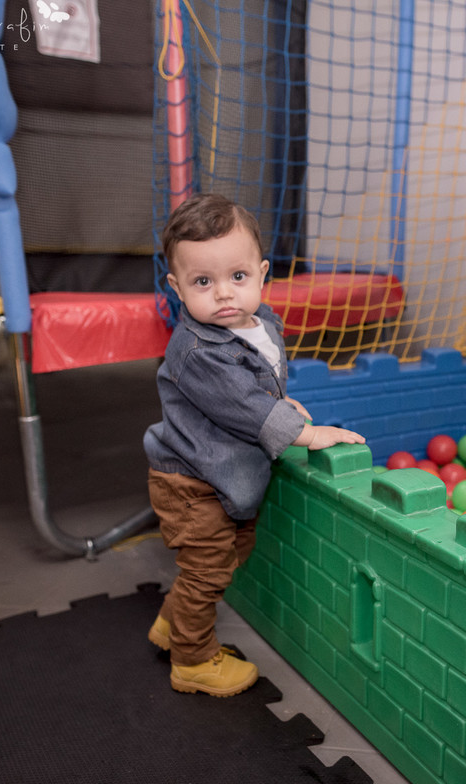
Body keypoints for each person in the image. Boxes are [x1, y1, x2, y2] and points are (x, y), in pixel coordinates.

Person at [143, 193, 365, 697]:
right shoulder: (199, 350)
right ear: (176, 287)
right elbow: (244, 404)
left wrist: (282, 405)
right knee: (207, 570)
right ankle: (193, 662)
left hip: (222, 476)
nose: (224, 295)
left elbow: (258, 387)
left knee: (229, 554)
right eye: (203, 282)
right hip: (191, 482)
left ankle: (172, 626)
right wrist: (305, 433)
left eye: (237, 278)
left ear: (262, 274)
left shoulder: (259, 323)